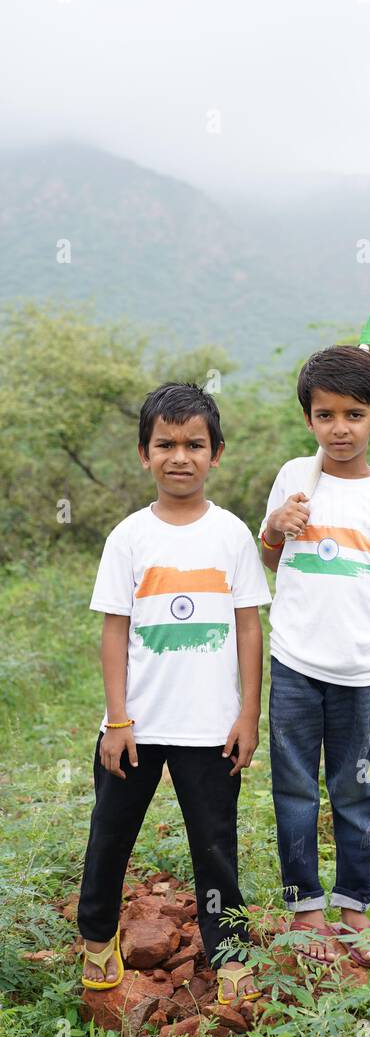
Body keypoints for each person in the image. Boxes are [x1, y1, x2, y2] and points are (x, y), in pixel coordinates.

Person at [77, 381, 272, 1005]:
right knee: (110, 834)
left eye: (194, 444)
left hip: (211, 728)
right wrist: (117, 719)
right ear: (144, 454)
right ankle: (97, 937)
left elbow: (248, 627)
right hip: (136, 724)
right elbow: (114, 633)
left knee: (216, 847)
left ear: (217, 453)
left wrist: (248, 713)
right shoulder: (129, 537)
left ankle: (230, 952)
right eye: (165, 444)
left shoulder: (233, 535)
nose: (179, 456)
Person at [258, 345, 370, 967]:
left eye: (354, 414)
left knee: (353, 790)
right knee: (294, 787)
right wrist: (277, 526)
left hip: (360, 670)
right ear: (309, 420)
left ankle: (353, 903)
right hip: (295, 662)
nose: (340, 428)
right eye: (325, 415)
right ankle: (306, 907)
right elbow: (272, 559)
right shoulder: (294, 479)